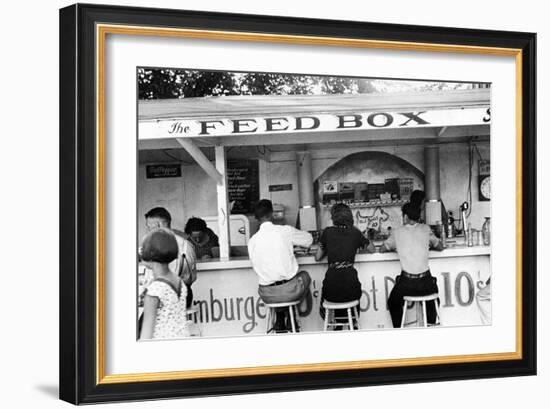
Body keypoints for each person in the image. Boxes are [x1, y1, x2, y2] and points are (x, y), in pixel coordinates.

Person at [248, 199, 313, 332]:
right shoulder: (285, 231)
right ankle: (293, 314)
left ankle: (280, 316)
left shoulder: (252, 241)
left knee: (275, 280)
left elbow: (256, 265)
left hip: (267, 294)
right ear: (272, 214)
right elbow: (309, 239)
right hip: (289, 291)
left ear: (256, 218)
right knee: (304, 276)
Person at [381, 202, 444, 328]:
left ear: (405, 217)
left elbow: (383, 248)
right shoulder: (426, 229)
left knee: (393, 302)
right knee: (432, 299)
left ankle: (399, 330)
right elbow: (440, 247)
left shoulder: (397, 232)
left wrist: (396, 247)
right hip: (426, 282)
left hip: (407, 283)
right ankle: (431, 324)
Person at [315, 203, 375, 323]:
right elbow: (372, 249)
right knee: (352, 291)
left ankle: (337, 325)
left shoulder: (327, 232)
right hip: (351, 289)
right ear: (349, 217)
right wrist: (362, 238)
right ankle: (353, 322)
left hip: (330, 290)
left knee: (331, 291)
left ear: (333, 217)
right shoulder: (355, 232)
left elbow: (317, 257)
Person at [139, 228, 190, 339]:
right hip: (182, 338)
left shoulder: (154, 290)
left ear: (150, 253)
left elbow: (146, 334)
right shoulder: (179, 282)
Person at [144, 207, 197, 308]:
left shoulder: (160, 246)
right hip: (185, 295)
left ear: (158, 225)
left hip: (166, 297)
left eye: (149, 227)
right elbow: (191, 275)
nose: (147, 230)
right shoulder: (186, 244)